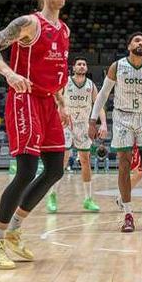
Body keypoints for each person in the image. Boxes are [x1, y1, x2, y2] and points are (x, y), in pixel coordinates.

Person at [0, 0, 72, 270]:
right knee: (27, 170)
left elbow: (58, 72)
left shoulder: (65, 30)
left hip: (48, 102)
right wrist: (9, 73)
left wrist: (62, 103)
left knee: (55, 169)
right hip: (26, 97)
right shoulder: (28, 24)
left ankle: (15, 230)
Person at [90, 33, 142, 233]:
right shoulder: (117, 66)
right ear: (129, 45)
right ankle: (127, 213)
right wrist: (93, 120)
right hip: (122, 117)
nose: (141, 43)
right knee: (124, 165)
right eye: (137, 40)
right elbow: (103, 94)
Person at [50, 58, 106, 213]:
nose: (81, 66)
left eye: (84, 64)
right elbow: (56, 99)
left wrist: (104, 123)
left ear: (87, 68)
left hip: (84, 125)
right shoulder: (65, 82)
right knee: (63, 160)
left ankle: (88, 199)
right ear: (73, 67)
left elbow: (99, 105)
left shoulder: (91, 85)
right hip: (66, 124)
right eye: (79, 64)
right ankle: (52, 195)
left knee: (85, 161)